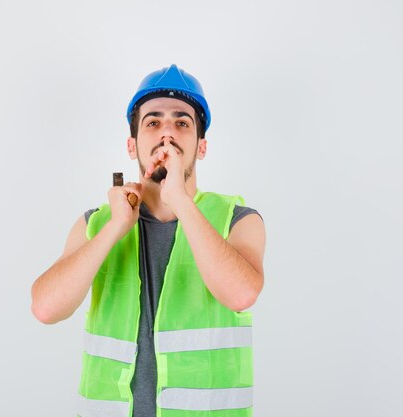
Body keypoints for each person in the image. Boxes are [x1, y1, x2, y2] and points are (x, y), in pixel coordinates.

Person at [31, 64, 266, 417]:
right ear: (132, 144)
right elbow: (46, 308)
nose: (167, 134)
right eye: (153, 122)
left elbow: (241, 293)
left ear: (201, 147)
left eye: (182, 123)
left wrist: (181, 201)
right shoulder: (97, 223)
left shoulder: (238, 219)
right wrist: (115, 227)